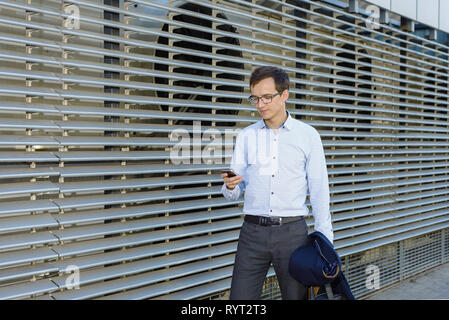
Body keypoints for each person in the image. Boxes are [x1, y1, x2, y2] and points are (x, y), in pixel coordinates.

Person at [221, 66, 334, 300]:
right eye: (255, 98)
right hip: (252, 233)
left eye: (267, 97)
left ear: (284, 95)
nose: (260, 104)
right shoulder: (247, 136)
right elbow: (234, 190)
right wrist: (231, 186)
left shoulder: (308, 135)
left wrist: (326, 241)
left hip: (293, 234)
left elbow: (319, 190)